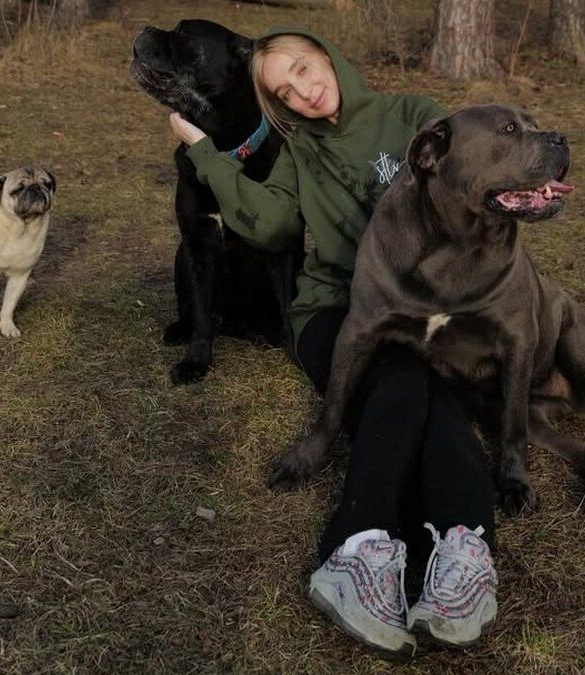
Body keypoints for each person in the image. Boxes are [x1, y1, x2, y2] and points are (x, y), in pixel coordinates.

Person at [168, 27, 497, 657]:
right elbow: (269, 225)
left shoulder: (414, 117)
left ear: (326, 55)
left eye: (301, 69)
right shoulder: (301, 152)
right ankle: (370, 549)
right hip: (334, 312)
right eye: (284, 92)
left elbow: (468, 191)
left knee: (425, 386)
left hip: (424, 307)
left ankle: (456, 556)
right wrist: (205, 153)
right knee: (403, 373)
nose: (302, 91)